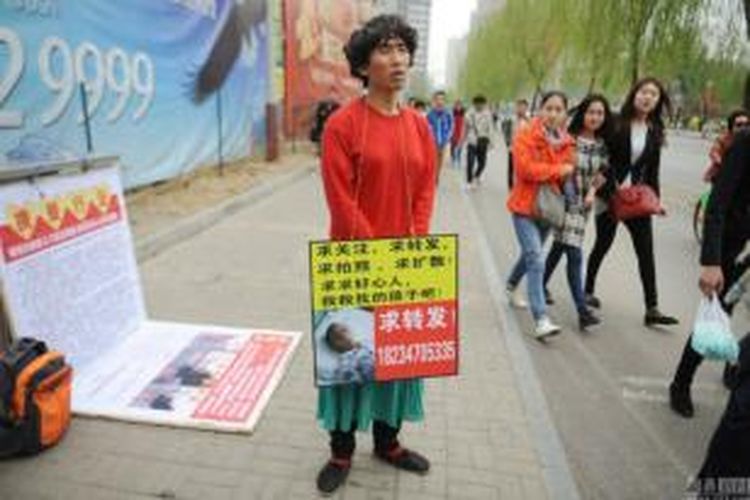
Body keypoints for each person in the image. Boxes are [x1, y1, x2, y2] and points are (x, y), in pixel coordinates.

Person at [317, 14, 436, 494]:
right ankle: (341, 451)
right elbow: (340, 199)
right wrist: (376, 255)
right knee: (346, 356)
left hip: (405, 263)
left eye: (403, 50)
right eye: (385, 51)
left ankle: (388, 442)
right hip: (353, 261)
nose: (398, 60)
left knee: (397, 355)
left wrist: (413, 243)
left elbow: (426, 188)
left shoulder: (419, 126)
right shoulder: (343, 124)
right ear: (364, 66)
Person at [583, 77, 679, 327]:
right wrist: (607, 185)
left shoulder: (655, 131)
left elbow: (652, 170)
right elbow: (603, 156)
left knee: (646, 251)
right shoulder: (615, 122)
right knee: (603, 244)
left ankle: (652, 308)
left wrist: (656, 201)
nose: (647, 97)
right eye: (643, 92)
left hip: (636, 200)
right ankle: (587, 290)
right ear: (634, 94)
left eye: (654, 94)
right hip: (610, 196)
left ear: (658, 101)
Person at [669, 128, 750, 418]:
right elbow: (717, 205)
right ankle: (681, 382)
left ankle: (737, 366)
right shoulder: (745, 141)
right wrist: (712, 262)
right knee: (717, 317)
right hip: (734, 247)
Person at [505, 91, 575, 339]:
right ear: (540, 110)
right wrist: (558, 169)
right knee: (536, 257)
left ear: (565, 114)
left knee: (529, 255)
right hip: (524, 207)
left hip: (549, 209)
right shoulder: (525, 134)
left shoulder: (567, 142)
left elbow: (568, 174)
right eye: (549, 108)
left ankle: (511, 285)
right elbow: (525, 170)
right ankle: (541, 318)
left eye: (559, 109)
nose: (553, 114)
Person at [543, 95, 613, 331]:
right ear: (583, 113)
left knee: (559, 247)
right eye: (591, 112)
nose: (595, 117)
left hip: (585, 205)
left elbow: (602, 172)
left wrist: (593, 191)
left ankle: (538, 285)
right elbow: (562, 170)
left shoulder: (603, 144)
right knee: (574, 253)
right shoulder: (568, 139)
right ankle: (582, 310)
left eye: (600, 113)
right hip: (566, 200)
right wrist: (572, 196)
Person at [702, 109, 749, 183]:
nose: (743, 128)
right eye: (739, 125)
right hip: (723, 175)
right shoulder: (724, 139)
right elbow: (714, 152)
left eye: (746, 124)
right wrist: (723, 162)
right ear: (731, 127)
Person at [464, 94, 494, 189]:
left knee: (482, 163)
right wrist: (462, 140)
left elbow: (491, 129)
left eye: (481, 104)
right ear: (474, 104)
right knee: (470, 161)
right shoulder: (469, 114)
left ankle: (477, 176)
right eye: (477, 104)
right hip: (472, 141)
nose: (479, 106)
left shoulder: (488, 114)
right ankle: (469, 181)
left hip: (483, 140)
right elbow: (466, 128)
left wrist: (491, 142)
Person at [502, 99, 530, 190]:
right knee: (512, 167)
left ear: (526, 108)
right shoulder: (510, 120)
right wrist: (508, 143)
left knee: (523, 167)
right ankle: (511, 187)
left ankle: (522, 185)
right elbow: (506, 132)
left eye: (523, 107)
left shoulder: (529, 120)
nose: (521, 109)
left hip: (525, 148)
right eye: (519, 107)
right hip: (513, 147)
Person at [426, 90, 454, 184]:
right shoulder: (430, 114)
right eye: (437, 99)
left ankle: (436, 177)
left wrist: (448, 137)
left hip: (443, 142)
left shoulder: (447, 114)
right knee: (432, 161)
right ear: (434, 100)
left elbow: (451, 126)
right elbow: (426, 127)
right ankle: (432, 177)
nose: (440, 101)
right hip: (431, 142)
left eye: (442, 99)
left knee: (440, 162)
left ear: (444, 101)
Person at [450, 100, 466, 169]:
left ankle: (458, 160)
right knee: (453, 147)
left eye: (459, 105)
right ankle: (453, 159)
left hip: (460, 133)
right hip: (453, 133)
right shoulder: (452, 114)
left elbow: (465, 125)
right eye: (457, 105)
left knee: (460, 148)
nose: (458, 107)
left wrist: (464, 134)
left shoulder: (464, 115)